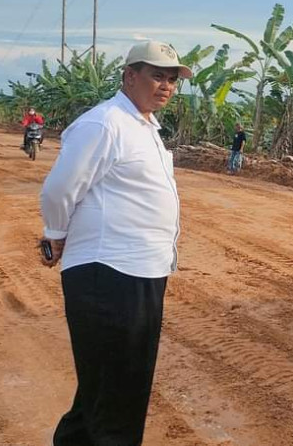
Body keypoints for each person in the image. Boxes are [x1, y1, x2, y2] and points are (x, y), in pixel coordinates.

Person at [39, 40, 191, 446]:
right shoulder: (104, 123)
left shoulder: (143, 127)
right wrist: (55, 233)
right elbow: (58, 190)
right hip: (108, 274)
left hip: (141, 272)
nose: (166, 86)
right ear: (129, 75)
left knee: (106, 392)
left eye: (172, 79)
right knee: (117, 402)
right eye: (157, 75)